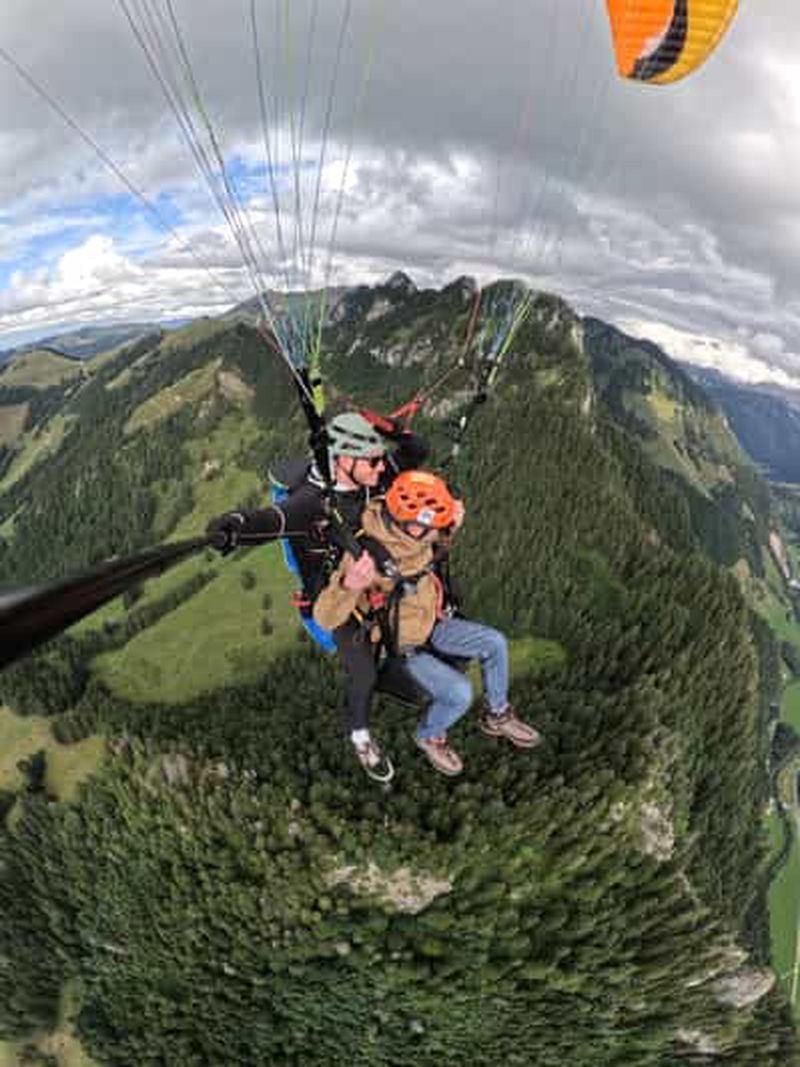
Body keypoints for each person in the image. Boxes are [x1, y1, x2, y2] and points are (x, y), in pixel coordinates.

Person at [207, 410, 427, 782]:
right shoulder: (312, 501)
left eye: (380, 460)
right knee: (363, 673)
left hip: (372, 584)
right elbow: (274, 520)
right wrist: (237, 525)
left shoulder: (370, 476)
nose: (382, 468)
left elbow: (417, 449)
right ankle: (360, 737)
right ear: (345, 461)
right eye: (373, 461)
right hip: (335, 599)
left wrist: (385, 426)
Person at [312, 470, 542, 776]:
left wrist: (451, 526)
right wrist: (348, 585)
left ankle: (497, 714)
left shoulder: (416, 531)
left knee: (494, 643)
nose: (432, 531)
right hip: (404, 646)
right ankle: (428, 736)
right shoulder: (365, 555)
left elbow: (433, 546)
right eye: (427, 526)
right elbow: (325, 617)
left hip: (431, 624)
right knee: (459, 694)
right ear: (405, 521)